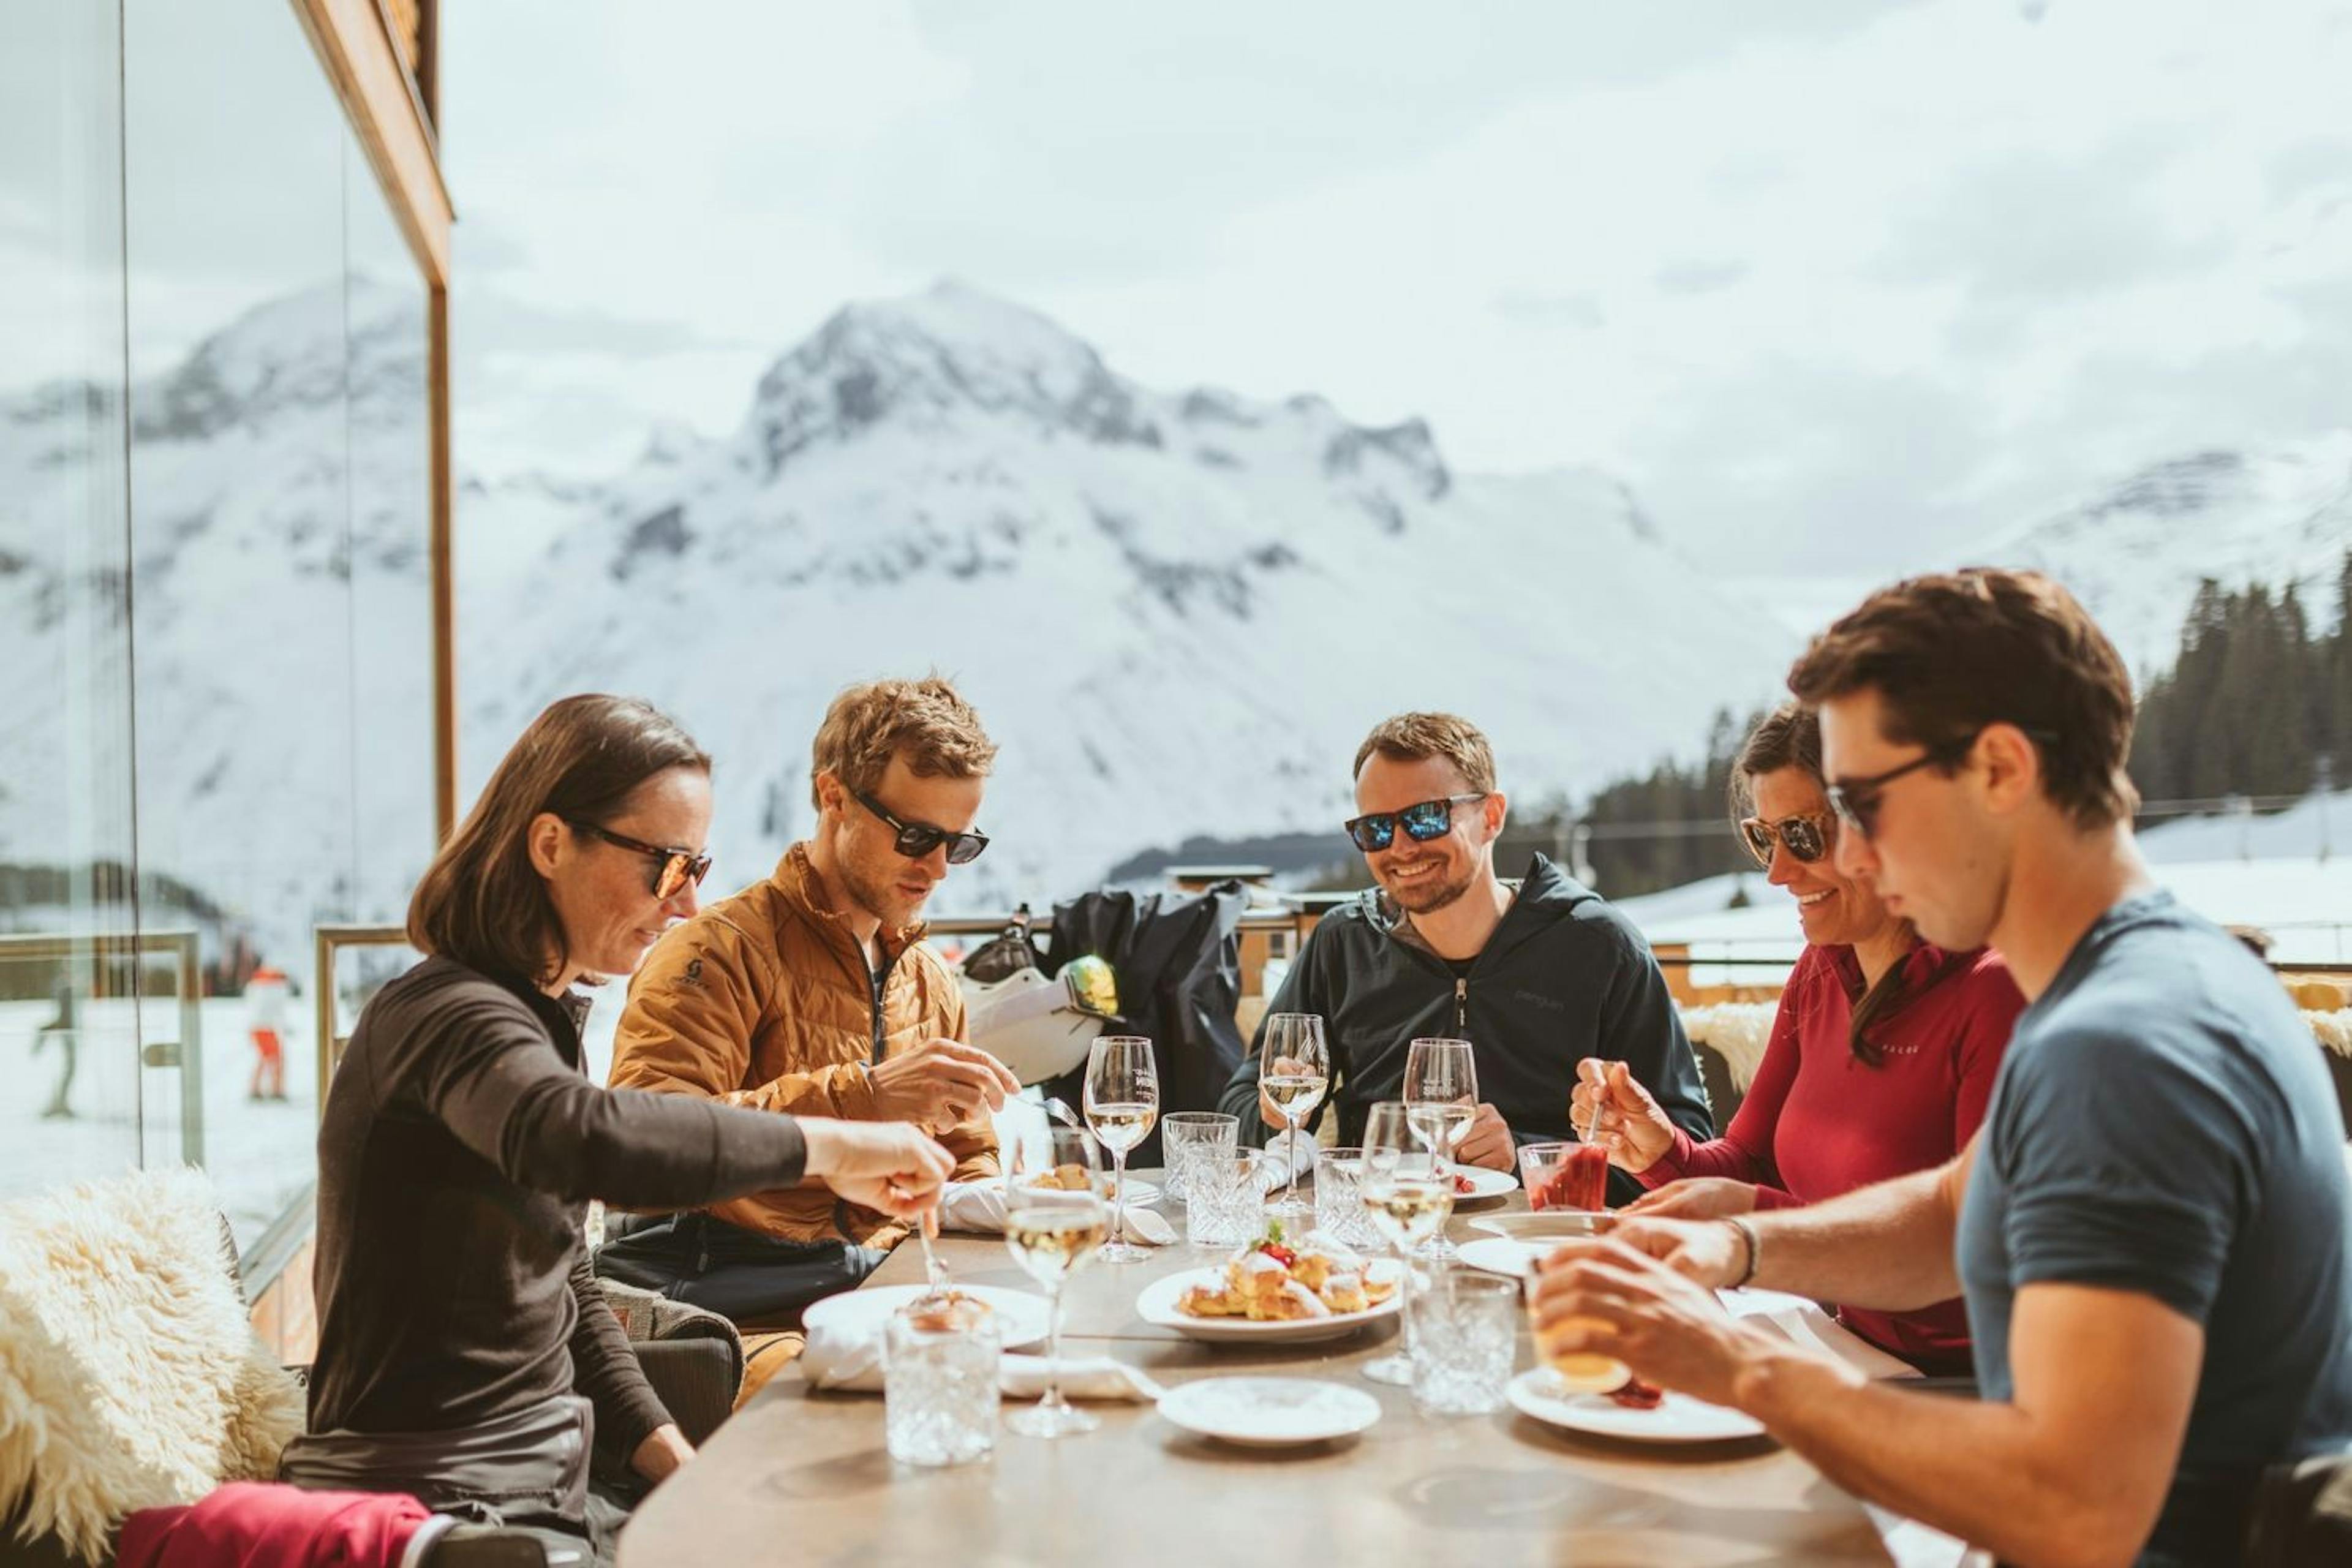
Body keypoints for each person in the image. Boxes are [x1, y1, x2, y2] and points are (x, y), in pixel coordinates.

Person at [1532, 570, 2352, 1567]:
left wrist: (1740, 1367)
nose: (1857, 857)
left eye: (1863, 804)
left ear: (2001, 768)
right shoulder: (2155, 972)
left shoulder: (2121, 1049)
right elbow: (1960, 1215)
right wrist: (1738, 1246)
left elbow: (2075, 1506)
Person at [287, 694, 953, 1564]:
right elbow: (582, 1136)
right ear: (551, 843)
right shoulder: (446, 1014)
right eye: (665, 868)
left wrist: (679, 1464)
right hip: (435, 1512)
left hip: (548, 1490)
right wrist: (835, 1142)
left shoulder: (536, 1020)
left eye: (698, 871)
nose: (683, 907)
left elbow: (564, 1286)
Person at [1571, 703, 2024, 1375]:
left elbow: (1978, 1255)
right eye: (1763, 838)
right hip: (1832, 1342)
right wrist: (1662, 1150)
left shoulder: (1997, 992)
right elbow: (1748, 1164)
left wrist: (1753, 1227)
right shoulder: (1821, 972)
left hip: (1951, 1388)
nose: (1777, 872)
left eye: (1804, 837)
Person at [598, 675, 1017, 1324]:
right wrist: (866, 1097)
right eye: (914, 837)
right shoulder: (717, 950)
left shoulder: (929, 978)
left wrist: (992, 1194)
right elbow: (646, 1142)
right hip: (741, 1300)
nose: (935, 868)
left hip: (885, 1290)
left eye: (957, 845)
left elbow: (966, 1152)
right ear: (834, 797)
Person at [1216, 711, 1709, 1197]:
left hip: (1541, 1243)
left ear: (1491, 816)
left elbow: (1686, 1150)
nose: (1401, 847)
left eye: (1426, 818)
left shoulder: (1600, 946)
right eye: (1376, 830)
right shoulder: (1343, 942)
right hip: (1379, 1236)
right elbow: (1238, 1102)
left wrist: (1526, 1155)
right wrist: (1272, 1112)